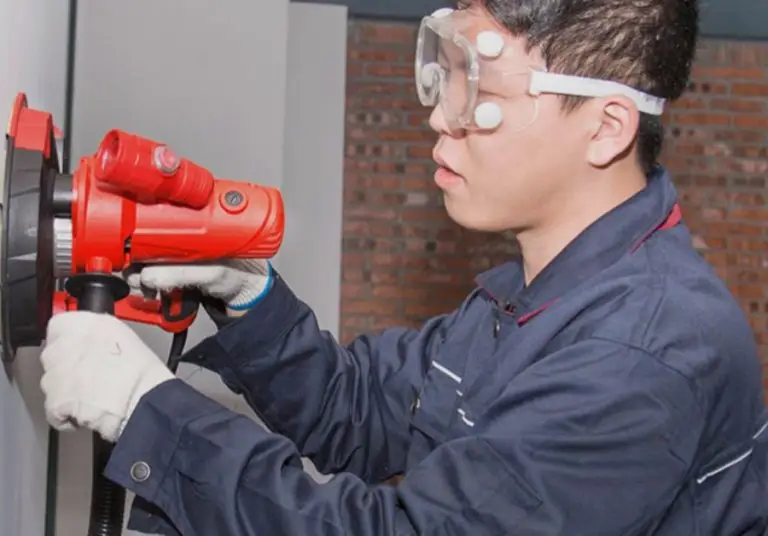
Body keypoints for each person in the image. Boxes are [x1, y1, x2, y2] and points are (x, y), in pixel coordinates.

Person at [38, 0, 768, 534]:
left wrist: (149, 412)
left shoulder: (644, 352)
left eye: (480, 93)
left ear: (606, 128)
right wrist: (248, 295)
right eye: (447, 74)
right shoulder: (538, 294)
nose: (442, 116)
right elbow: (354, 412)